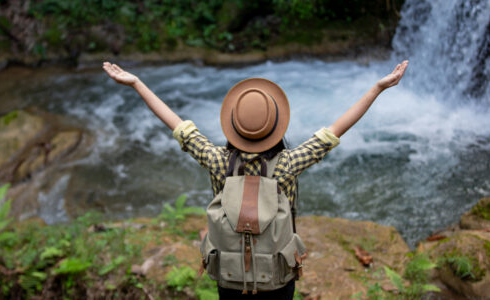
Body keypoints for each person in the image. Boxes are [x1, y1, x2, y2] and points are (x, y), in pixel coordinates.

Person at [103, 60, 408, 299]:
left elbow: (178, 125)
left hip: (229, 275)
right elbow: (333, 132)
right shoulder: (288, 164)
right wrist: (377, 88)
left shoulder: (216, 160)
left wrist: (137, 83)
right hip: (277, 277)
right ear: (276, 126)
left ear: (233, 127)